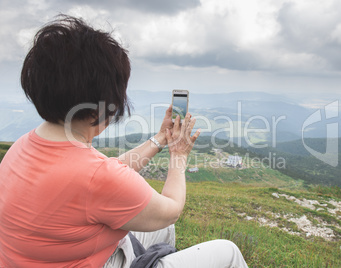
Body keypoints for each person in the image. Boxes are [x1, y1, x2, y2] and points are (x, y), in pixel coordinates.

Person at [0, 15, 249, 267]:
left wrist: (160, 139)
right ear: (99, 108)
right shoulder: (95, 177)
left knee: (162, 232)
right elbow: (171, 209)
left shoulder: (22, 147)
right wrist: (179, 154)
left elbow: (104, 177)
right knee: (227, 252)